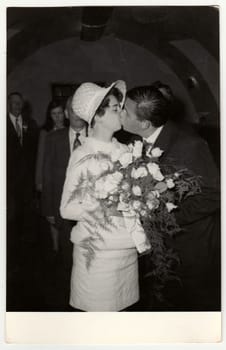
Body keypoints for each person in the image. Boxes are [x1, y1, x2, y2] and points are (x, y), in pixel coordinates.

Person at [121, 84, 220, 311]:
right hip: (161, 248)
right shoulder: (134, 143)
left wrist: (167, 218)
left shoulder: (188, 145)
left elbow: (214, 195)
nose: (120, 113)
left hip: (190, 249)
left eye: (125, 111)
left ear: (144, 123)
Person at [60, 81, 139, 311]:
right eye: (116, 108)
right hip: (97, 259)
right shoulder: (83, 154)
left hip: (126, 253)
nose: (122, 112)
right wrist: (104, 206)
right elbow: (66, 209)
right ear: (99, 115)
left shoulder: (126, 151)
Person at [41, 95, 88, 309]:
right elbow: (47, 174)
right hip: (63, 210)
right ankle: (69, 303)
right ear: (67, 113)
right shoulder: (54, 138)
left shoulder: (98, 138)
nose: (77, 114)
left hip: (91, 212)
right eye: (72, 109)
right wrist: (49, 209)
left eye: (81, 109)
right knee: (67, 257)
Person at [7, 92, 39, 272]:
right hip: (9, 184)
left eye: (20, 103)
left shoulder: (31, 124)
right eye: (14, 103)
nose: (17, 106)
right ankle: (12, 260)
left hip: (27, 183)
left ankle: (27, 262)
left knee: (28, 220)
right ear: (8, 104)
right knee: (12, 221)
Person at [35, 100, 67, 253]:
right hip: (51, 178)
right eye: (54, 114)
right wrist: (39, 181)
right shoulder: (45, 132)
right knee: (53, 212)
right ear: (50, 115)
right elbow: (41, 158)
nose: (58, 117)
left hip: (66, 178)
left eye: (60, 113)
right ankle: (55, 245)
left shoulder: (70, 129)